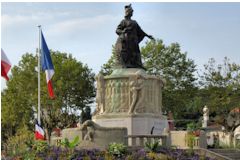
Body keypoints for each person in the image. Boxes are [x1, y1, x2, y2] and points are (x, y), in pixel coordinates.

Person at [115, 4, 154, 69]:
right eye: (131, 11)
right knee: (128, 52)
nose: (132, 13)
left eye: (132, 12)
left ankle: (138, 65)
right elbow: (117, 30)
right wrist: (122, 31)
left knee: (136, 53)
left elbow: (140, 31)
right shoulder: (123, 21)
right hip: (127, 40)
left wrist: (147, 35)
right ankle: (127, 64)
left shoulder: (134, 22)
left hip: (134, 41)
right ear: (128, 12)